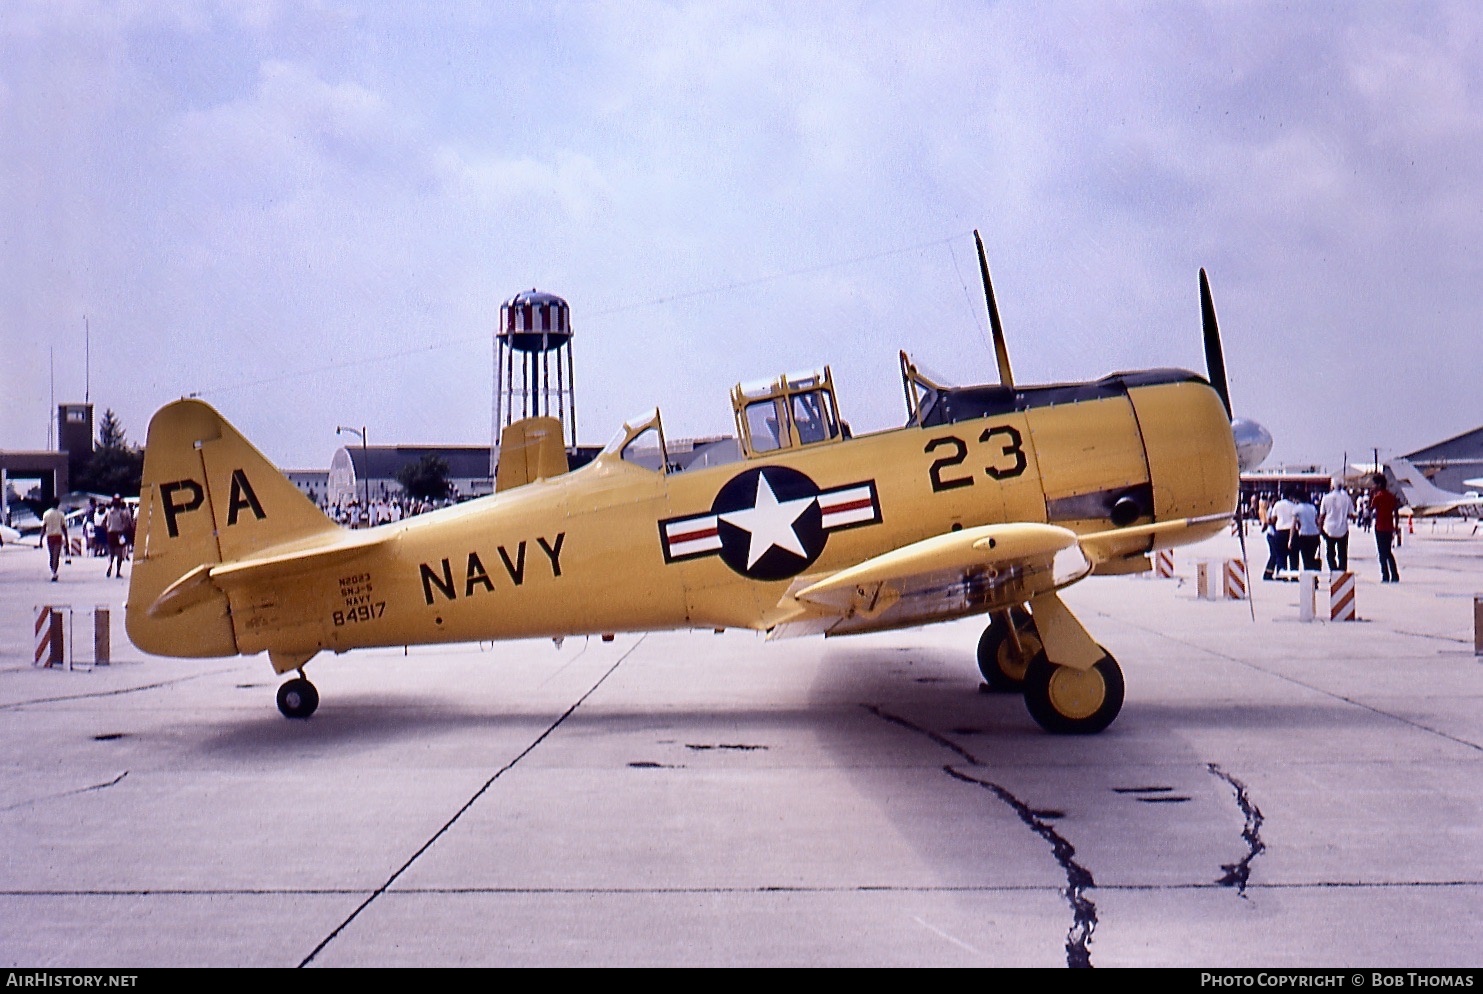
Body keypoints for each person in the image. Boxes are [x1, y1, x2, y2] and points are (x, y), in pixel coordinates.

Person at [1318, 477, 1355, 572]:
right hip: (1343, 529)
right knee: (1342, 553)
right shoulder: (1347, 498)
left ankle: (1333, 571)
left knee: (1330, 553)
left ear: (1332, 486)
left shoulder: (1326, 498)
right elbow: (1351, 514)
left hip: (1329, 529)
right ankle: (1341, 572)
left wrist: (1320, 528)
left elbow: (1322, 515)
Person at [1370, 474, 1401, 583]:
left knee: (1382, 553)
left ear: (1378, 484)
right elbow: (1396, 513)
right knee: (1388, 552)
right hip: (1389, 527)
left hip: (1380, 527)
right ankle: (1394, 574)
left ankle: (1385, 575)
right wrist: (1396, 526)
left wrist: (1371, 494)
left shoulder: (1377, 497)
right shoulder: (1391, 496)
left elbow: (1371, 508)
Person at [1263, 490, 1298, 580]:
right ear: (1290, 496)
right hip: (1291, 531)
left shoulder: (1278, 505)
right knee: (1293, 556)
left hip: (1280, 531)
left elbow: (1274, 519)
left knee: (1280, 555)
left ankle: (1282, 574)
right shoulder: (1294, 506)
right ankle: (1294, 575)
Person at [1291, 491, 1322, 572]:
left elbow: (1293, 525)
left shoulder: (1297, 509)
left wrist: (1290, 539)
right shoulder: (1312, 508)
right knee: (1312, 558)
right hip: (1314, 535)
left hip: (1304, 535)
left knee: (1306, 559)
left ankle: (1308, 578)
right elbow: (1317, 521)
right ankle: (1313, 578)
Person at [104, 495, 133, 579]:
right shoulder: (122, 513)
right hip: (119, 534)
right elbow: (125, 524)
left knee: (111, 553)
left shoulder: (109, 513)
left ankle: (110, 565)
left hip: (110, 533)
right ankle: (117, 572)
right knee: (120, 554)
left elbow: (107, 524)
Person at [41, 498, 69, 582]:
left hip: (49, 536)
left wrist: (40, 539)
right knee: (56, 556)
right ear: (58, 504)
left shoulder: (46, 514)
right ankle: (54, 572)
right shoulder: (61, 514)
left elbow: (43, 527)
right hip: (58, 536)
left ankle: (53, 572)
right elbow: (64, 527)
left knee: (51, 555)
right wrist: (66, 539)